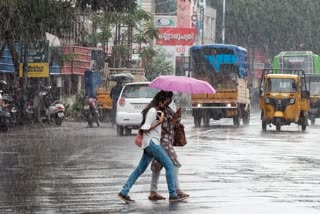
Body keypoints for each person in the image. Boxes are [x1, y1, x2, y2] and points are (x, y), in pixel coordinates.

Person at [118, 90, 188, 203]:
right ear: (161, 99)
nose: (167, 103)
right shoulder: (152, 110)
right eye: (166, 101)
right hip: (152, 143)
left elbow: (166, 123)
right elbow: (145, 128)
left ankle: (124, 192)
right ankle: (173, 194)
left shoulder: (158, 111)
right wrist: (157, 124)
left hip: (150, 144)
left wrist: (169, 118)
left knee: (139, 170)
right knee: (170, 166)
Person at [148, 91, 189, 201]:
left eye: (171, 98)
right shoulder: (159, 110)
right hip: (162, 140)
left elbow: (174, 124)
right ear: (164, 98)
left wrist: (177, 117)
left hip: (167, 140)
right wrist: (174, 120)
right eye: (168, 98)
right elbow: (162, 125)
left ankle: (153, 191)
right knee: (174, 163)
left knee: (157, 165)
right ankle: (176, 190)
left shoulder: (167, 109)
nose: (170, 100)